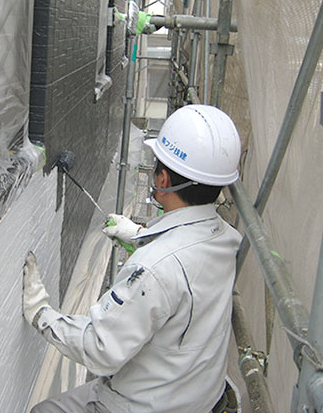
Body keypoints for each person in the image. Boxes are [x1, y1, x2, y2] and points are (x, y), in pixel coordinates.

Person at [23, 104, 242, 412]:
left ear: (163, 180)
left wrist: (40, 312)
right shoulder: (228, 239)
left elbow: (101, 349)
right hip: (198, 396)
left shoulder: (154, 268)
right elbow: (187, 264)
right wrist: (140, 235)